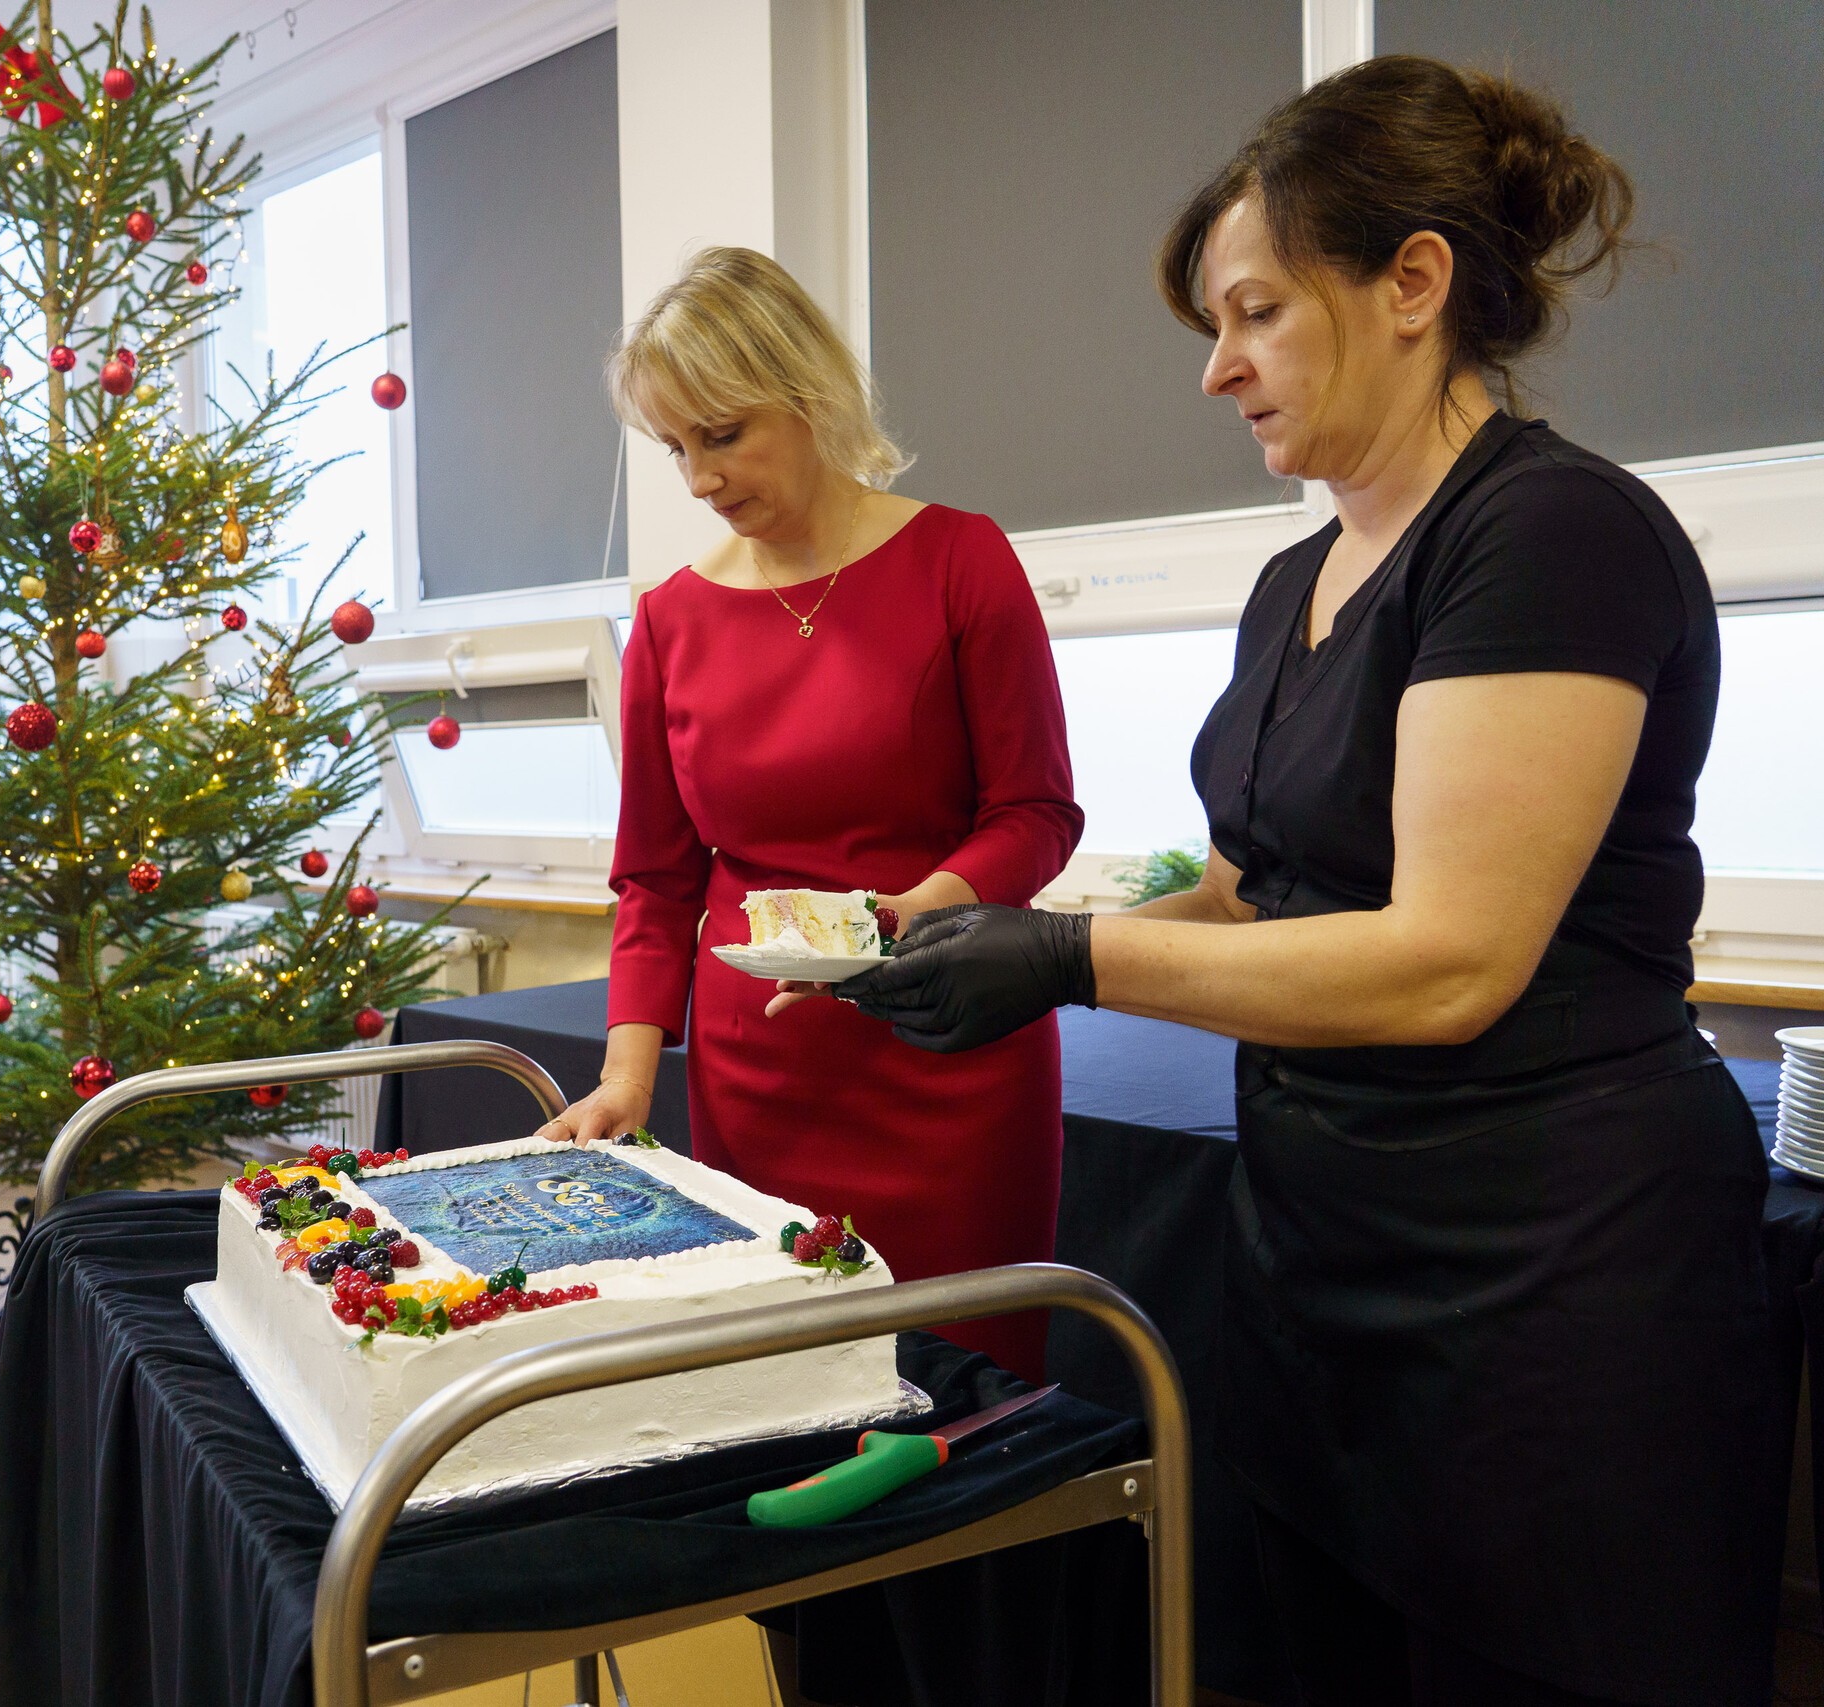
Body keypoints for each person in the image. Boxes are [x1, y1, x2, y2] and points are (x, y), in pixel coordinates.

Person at [840, 58, 1781, 1707]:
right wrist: (974, 940)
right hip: (1320, 1256)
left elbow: (1448, 960)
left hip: (1552, 1282)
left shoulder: (1551, 536)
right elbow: (1241, 895)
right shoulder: (1295, 579)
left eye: (1256, 312)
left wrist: (1066, 960)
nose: (1217, 369)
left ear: (1414, 282)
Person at [550, 247, 1083, 1383]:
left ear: (807, 394)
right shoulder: (672, 621)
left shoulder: (960, 560)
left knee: (963, 1397)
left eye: (722, 434)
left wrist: (912, 913)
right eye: (674, 447)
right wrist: (630, 1078)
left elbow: (1036, 813)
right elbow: (656, 881)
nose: (700, 478)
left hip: (950, 1045)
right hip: (765, 1075)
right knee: (785, 1392)